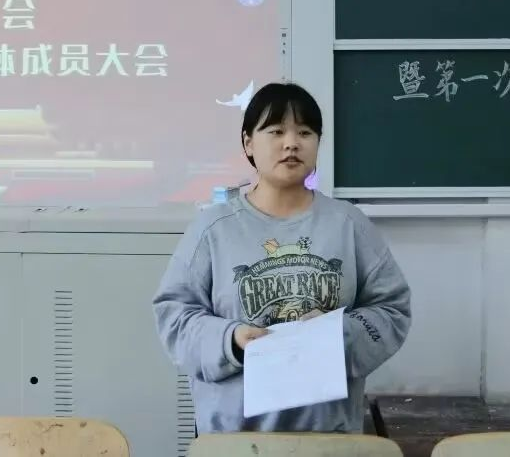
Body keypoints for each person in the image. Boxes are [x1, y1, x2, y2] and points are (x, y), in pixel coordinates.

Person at [152, 81, 411, 434]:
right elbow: (174, 317)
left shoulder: (348, 224)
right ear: (248, 143)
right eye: (276, 131)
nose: (291, 143)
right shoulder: (213, 229)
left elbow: (392, 309)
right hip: (234, 440)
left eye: (305, 132)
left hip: (328, 437)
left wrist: (338, 334)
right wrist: (232, 340)